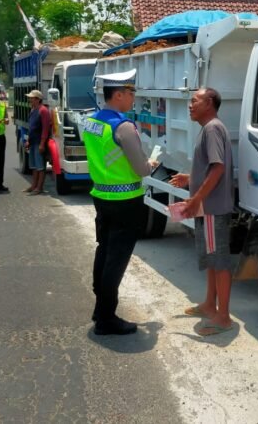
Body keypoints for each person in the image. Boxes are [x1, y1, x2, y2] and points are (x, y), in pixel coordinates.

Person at [84, 69, 157, 335]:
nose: (133, 98)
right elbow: (141, 169)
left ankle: (100, 307)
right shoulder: (123, 126)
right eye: (130, 93)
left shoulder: (92, 122)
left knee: (104, 251)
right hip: (126, 200)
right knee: (116, 260)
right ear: (118, 95)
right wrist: (151, 164)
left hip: (101, 196)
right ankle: (106, 318)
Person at [169, 88, 235, 336]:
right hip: (208, 208)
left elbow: (218, 168)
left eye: (194, 100)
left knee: (219, 262)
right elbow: (210, 167)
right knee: (211, 258)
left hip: (212, 209)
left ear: (209, 103)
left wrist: (196, 199)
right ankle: (210, 305)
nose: (189, 105)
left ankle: (224, 317)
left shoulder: (212, 128)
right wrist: (191, 177)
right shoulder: (208, 128)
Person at [23, 90, 51, 195]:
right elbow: (31, 127)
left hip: (39, 142)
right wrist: (28, 141)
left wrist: (42, 144)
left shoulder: (43, 111)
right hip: (33, 141)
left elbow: (45, 129)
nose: (30, 100)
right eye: (30, 98)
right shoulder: (33, 110)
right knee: (34, 166)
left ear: (38, 99)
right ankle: (33, 186)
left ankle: (39, 188)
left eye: (32, 98)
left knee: (40, 167)